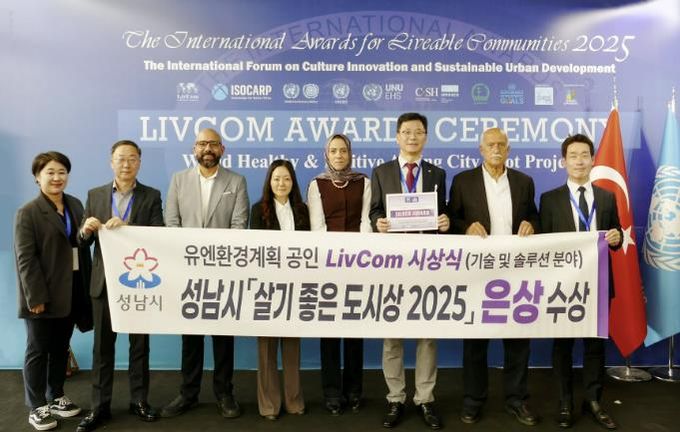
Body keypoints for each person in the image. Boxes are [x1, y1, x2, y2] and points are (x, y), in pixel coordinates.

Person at [448, 127, 539, 426]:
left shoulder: (524, 182)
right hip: (478, 272)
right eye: (491, 145)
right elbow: (451, 219)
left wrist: (532, 224)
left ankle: (517, 399)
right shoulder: (463, 181)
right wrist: (465, 227)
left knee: (518, 340)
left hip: (516, 271)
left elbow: (534, 216)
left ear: (508, 150)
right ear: (481, 150)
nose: (496, 149)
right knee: (475, 341)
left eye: (501, 144)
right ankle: (473, 400)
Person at [76, 140, 164, 432]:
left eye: (132, 158)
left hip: (139, 283)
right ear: (111, 162)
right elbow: (82, 241)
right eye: (121, 158)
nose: (126, 164)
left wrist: (129, 229)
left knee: (139, 347)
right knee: (102, 349)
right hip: (104, 284)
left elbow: (159, 235)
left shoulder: (151, 196)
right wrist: (85, 230)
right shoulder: (95, 194)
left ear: (139, 162)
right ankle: (99, 407)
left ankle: (139, 401)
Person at [160, 128, 249, 419]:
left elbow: (239, 226)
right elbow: (171, 223)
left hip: (223, 272)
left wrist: (215, 259)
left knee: (223, 337)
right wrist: (190, 257)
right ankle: (188, 393)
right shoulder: (178, 180)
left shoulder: (236, 181)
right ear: (194, 149)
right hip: (188, 273)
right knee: (191, 338)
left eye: (213, 144)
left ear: (222, 149)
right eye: (202, 144)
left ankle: (225, 393)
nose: (207, 148)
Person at [369, 112, 449, 430]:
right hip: (392, 262)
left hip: (427, 262)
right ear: (397, 136)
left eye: (418, 132)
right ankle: (396, 398)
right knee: (393, 335)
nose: (412, 137)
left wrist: (445, 222)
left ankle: (425, 398)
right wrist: (378, 222)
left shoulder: (437, 173)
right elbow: (375, 209)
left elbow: (444, 211)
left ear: (425, 136)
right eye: (406, 132)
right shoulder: (381, 172)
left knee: (427, 335)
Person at [539, 134, 621, 430]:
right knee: (562, 346)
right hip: (563, 287)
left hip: (598, 283)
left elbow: (616, 235)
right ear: (563, 161)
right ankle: (565, 401)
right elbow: (542, 245)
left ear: (592, 159)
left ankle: (594, 400)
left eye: (584, 155)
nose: (579, 161)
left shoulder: (606, 197)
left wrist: (617, 237)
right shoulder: (549, 199)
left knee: (595, 346)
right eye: (573, 156)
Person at [14, 151, 93, 431]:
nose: (57, 177)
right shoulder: (28, 212)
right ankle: (36, 406)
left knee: (61, 346)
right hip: (43, 294)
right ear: (37, 177)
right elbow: (26, 259)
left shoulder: (75, 204)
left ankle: (56, 395)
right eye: (50, 172)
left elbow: (81, 244)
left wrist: (88, 233)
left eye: (62, 172)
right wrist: (36, 297)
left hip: (71, 290)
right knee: (38, 350)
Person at [308, 133, 370, 415]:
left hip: (359, 264)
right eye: (333, 150)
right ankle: (332, 392)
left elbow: (366, 222)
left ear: (350, 153)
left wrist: (357, 257)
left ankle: (354, 390)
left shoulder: (363, 182)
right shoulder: (317, 184)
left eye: (343, 150)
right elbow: (317, 227)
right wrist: (334, 260)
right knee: (330, 332)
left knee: (355, 330)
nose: (338, 155)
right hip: (328, 267)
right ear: (326, 154)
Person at [250, 159, 308, 420]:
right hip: (266, 287)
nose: (281, 183)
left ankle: (294, 401)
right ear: (269, 182)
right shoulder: (258, 210)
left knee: (292, 347)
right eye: (276, 179)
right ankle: (269, 405)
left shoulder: (302, 210)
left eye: (286, 178)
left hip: (296, 286)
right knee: (266, 348)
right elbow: (255, 251)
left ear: (292, 182)